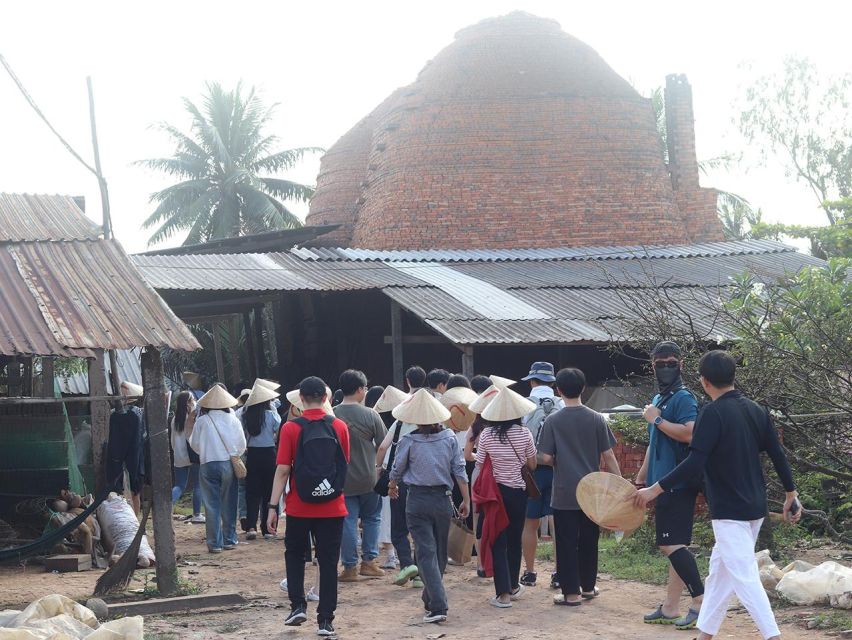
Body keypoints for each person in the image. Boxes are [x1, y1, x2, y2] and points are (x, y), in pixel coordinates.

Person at [632, 350, 801, 640]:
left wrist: (654, 489)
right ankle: (705, 634)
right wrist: (790, 493)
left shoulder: (712, 413)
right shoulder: (756, 410)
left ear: (704, 381)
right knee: (719, 575)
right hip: (753, 505)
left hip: (729, 509)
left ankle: (774, 636)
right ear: (733, 376)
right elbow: (777, 454)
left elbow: (694, 462)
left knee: (744, 577)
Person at [268, 377, 350, 638]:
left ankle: (297, 606)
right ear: (325, 399)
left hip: (299, 507)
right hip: (333, 507)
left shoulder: (291, 429)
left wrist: (273, 506)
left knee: (294, 554)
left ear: (300, 400)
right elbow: (343, 465)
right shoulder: (339, 427)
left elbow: (282, 470)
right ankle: (325, 620)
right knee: (327, 561)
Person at [634, 341, 705, 629]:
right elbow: (655, 442)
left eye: (671, 362)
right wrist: (641, 477)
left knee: (669, 544)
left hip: (677, 481)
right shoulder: (659, 398)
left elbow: (689, 434)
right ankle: (671, 606)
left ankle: (700, 600)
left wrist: (658, 418)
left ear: (681, 365)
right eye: (660, 363)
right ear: (652, 365)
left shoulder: (683, 398)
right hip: (660, 481)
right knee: (675, 544)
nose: (665, 367)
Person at [537, 368, 621, 605]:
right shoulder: (596, 418)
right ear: (584, 388)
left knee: (565, 542)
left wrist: (557, 460)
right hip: (592, 494)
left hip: (564, 492)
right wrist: (621, 487)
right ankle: (588, 587)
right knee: (588, 541)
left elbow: (543, 457)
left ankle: (571, 593)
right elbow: (609, 456)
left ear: (558, 390)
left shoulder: (553, 420)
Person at [388, 389, 471, 624]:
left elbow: (397, 468)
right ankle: (433, 599)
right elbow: (459, 471)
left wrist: (392, 485)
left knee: (426, 552)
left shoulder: (409, 440)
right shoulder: (449, 439)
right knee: (439, 553)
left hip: (416, 501)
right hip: (442, 500)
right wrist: (467, 499)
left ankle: (437, 604)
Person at [475, 388, 537, 608]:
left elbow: (480, 464)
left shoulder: (486, 435)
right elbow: (532, 464)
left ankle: (503, 595)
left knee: (497, 542)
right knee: (514, 540)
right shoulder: (525, 433)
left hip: (495, 495)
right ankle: (512, 585)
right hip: (519, 494)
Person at [375, 366, 427, 588]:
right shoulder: (434, 423)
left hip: (400, 482)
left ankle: (407, 565)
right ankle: (419, 575)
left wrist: (379, 468)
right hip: (426, 484)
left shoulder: (400, 421)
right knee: (421, 531)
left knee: (399, 528)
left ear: (407, 382)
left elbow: (383, 447)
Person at [334, 370, 388, 581]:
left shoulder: (333, 414)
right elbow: (383, 444)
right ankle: (369, 562)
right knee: (372, 518)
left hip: (343, 479)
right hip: (369, 476)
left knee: (347, 522)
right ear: (359, 390)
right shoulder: (371, 415)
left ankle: (349, 568)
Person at [519, 361, 564, 588]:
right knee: (557, 523)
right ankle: (558, 573)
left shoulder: (523, 405)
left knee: (530, 523)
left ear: (532, 381)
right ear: (553, 382)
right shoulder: (562, 404)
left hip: (531, 472)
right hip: (558, 471)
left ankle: (530, 572)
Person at [189, 385, 246, 554]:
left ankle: (214, 544)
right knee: (229, 502)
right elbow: (242, 445)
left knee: (211, 505)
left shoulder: (201, 421)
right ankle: (229, 539)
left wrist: (206, 452)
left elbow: (194, 445)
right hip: (228, 463)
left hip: (207, 464)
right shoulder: (233, 419)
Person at [241, 381, 281, 540]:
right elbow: (278, 430)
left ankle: (251, 526)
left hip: (252, 455)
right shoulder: (271, 415)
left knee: (252, 492)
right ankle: (268, 528)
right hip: (269, 455)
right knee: (269, 493)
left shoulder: (245, 416)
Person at [170, 391, 204, 523]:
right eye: (193, 399)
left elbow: (173, 440)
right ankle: (197, 514)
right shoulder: (191, 418)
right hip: (193, 455)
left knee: (179, 485)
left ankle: (168, 508)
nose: (194, 401)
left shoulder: (174, 419)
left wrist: (176, 452)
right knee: (197, 485)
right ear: (188, 402)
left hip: (179, 456)